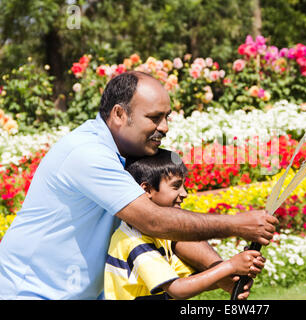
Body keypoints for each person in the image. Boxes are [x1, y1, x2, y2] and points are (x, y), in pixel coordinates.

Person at [0, 71, 278, 299]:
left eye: (167, 116)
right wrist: (238, 225)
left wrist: (218, 269)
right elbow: (153, 221)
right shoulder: (87, 153)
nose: (165, 127)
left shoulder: (131, 153)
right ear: (120, 114)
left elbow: (170, 228)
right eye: (155, 117)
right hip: (30, 291)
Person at [105, 149, 266, 300]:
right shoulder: (135, 242)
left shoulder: (159, 236)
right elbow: (177, 289)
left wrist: (235, 273)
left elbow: (192, 282)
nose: (184, 194)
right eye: (176, 186)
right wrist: (231, 266)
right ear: (146, 190)